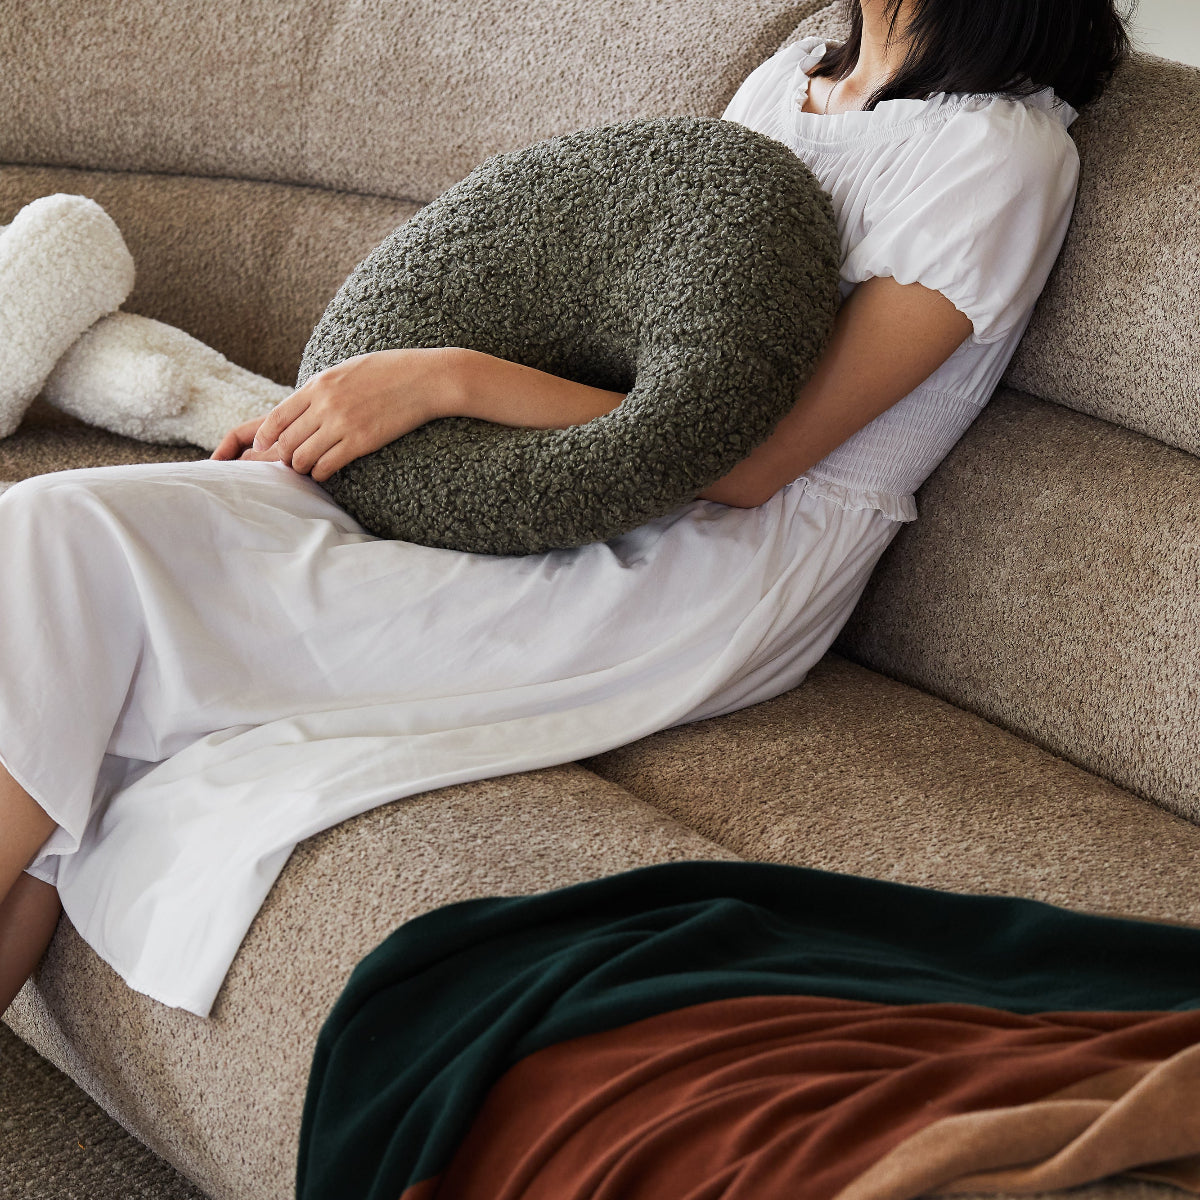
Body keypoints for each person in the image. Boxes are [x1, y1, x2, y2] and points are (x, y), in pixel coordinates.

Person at [0, 0, 1134, 1018]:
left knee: (90, 618)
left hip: (697, 561)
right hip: (547, 471)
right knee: (51, 531)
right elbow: (635, 309)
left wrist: (441, 381)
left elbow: (744, 459)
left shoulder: (1000, 155)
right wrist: (358, 419)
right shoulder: (792, 73)